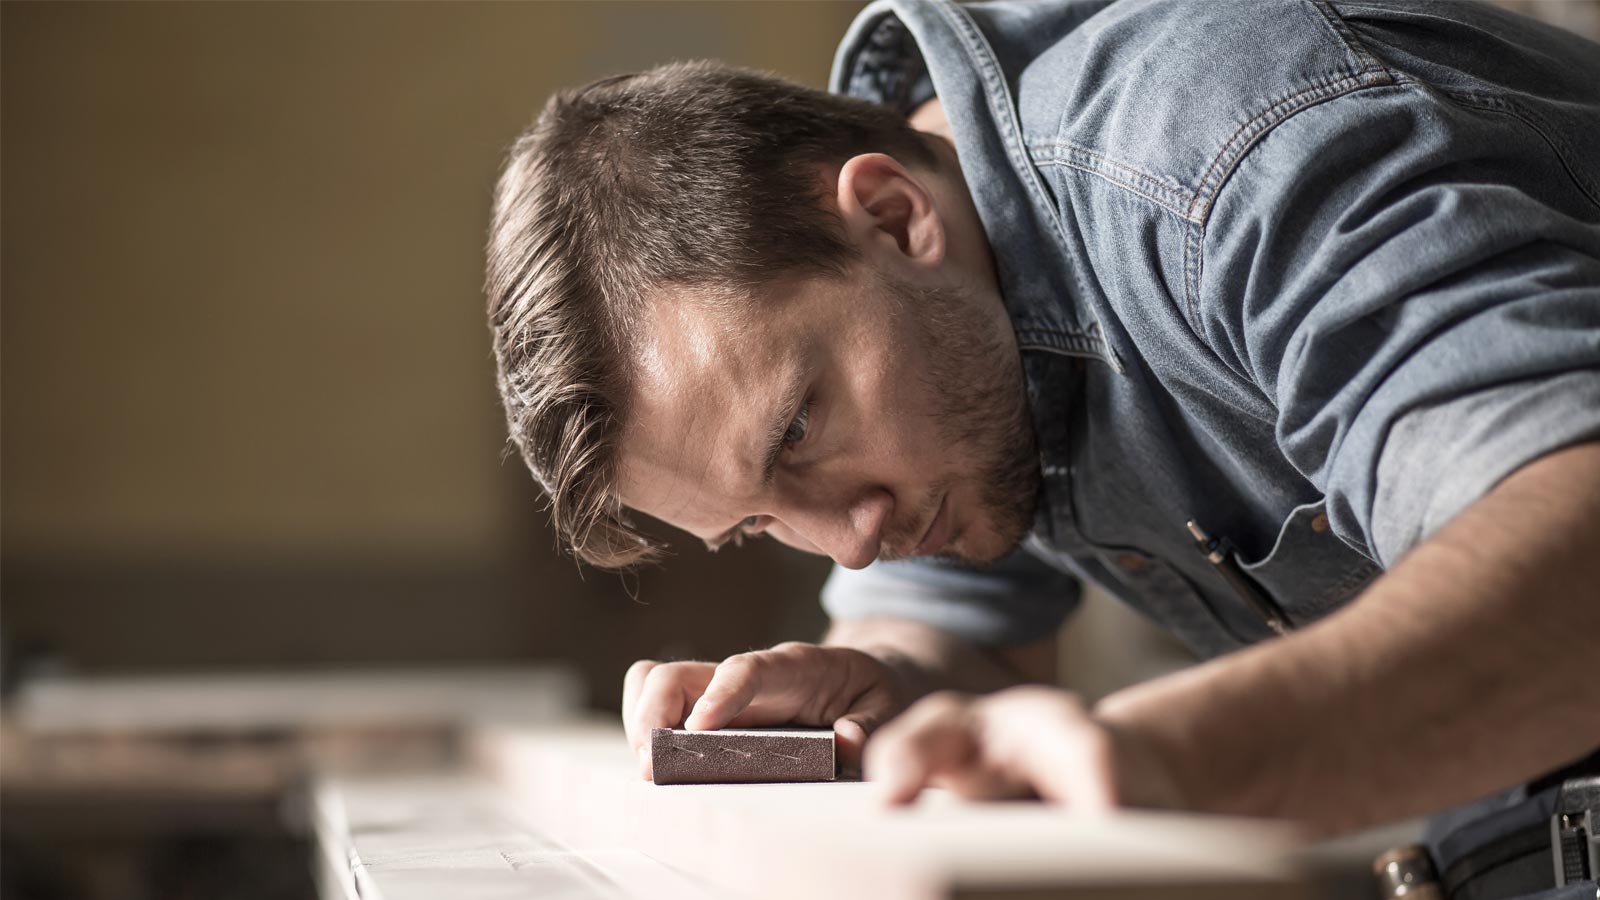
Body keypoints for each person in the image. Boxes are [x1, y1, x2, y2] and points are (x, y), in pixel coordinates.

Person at [484, 0, 1600, 887]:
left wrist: (1176, 762)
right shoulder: (950, 319)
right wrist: (885, 681)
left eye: (797, 431)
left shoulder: (1230, 154)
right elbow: (958, 638)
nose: (851, 544)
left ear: (890, 218)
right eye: (761, 522)